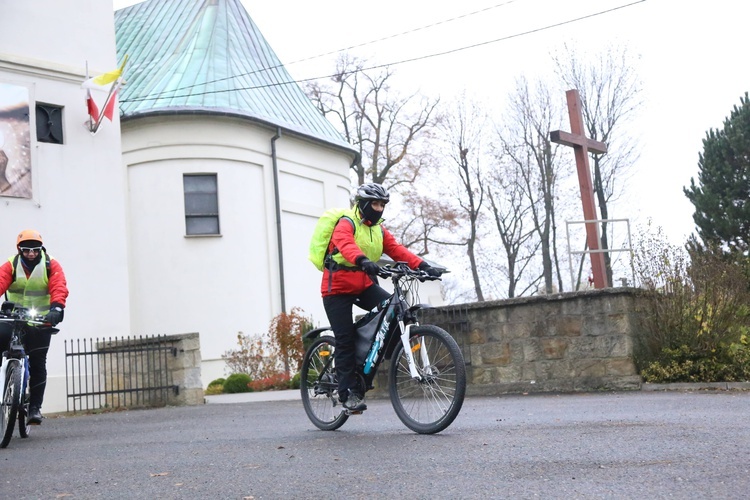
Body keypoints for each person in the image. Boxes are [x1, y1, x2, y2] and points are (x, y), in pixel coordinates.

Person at [320, 183, 441, 412]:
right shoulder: (346, 222)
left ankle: (368, 359)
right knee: (344, 339)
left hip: (363, 285)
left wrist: (423, 265)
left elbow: (397, 250)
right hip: (336, 289)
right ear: (363, 204)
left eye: (382, 205)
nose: (378, 209)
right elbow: (345, 245)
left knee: (394, 315)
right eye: (374, 204)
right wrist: (363, 260)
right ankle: (348, 394)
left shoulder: (379, 230)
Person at [0, 229, 68, 425]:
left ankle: (35, 408)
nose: (31, 253)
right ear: (19, 250)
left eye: (35, 250)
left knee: (38, 362)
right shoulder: (11, 265)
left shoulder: (50, 265)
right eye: (27, 250)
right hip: (13, 319)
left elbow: (59, 286)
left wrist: (56, 309)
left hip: (41, 320)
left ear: (41, 249)